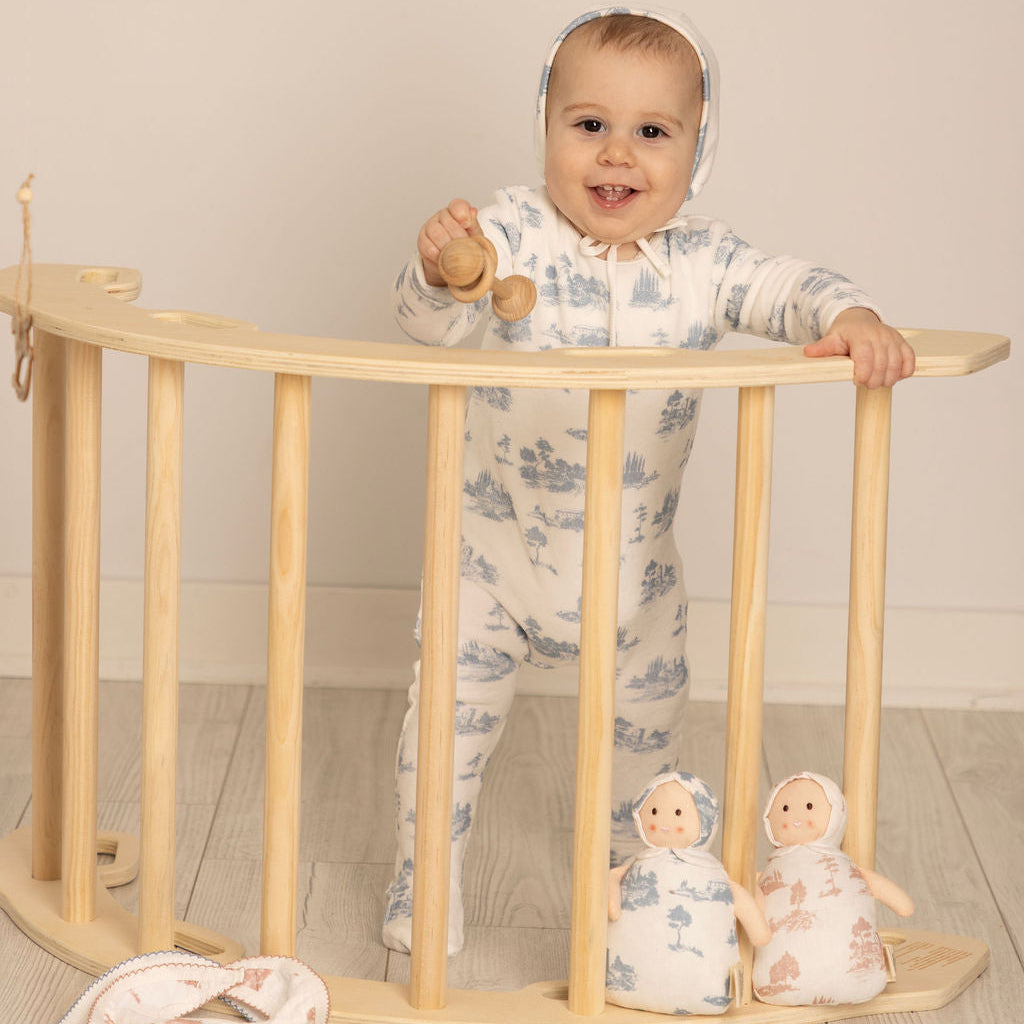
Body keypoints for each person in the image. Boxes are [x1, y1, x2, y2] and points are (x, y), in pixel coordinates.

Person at [384, 6, 916, 956]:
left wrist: (854, 312)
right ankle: (428, 871)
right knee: (445, 739)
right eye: (588, 125)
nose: (616, 154)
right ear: (546, 128)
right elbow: (428, 327)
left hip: (637, 582)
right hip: (492, 560)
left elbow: (790, 285)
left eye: (652, 132)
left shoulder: (702, 265)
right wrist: (437, 268)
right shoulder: (509, 234)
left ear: (695, 152)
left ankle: (642, 878)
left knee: (648, 746)